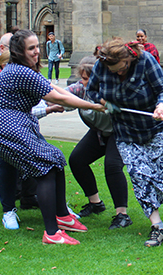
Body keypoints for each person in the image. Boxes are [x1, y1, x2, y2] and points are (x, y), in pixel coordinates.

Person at [0, 29, 104, 245]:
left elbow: (58, 89)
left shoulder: (25, 70)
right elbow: (57, 97)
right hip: (3, 128)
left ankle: (63, 218)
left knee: (55, 157)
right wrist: (93, 105)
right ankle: (51, 233)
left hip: (12, 125)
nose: (37, 51)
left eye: (37, 46)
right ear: (19, 51)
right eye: (31, 48)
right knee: (45, 166)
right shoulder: (20, 72)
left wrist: (88, 99)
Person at [88, 38, 163, 247]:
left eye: (121, 68)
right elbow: (91, 91)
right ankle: (158, 227)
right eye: (113, 71)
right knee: (140, 175)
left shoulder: (146, 61)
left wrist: (160, 106)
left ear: (127, 59)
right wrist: (105, 102)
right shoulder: (102, 65)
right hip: (126, 131)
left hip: (158, 126)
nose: (118, 73)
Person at [0, 50, 62, 230]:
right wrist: (49, 109)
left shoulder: (29, 79)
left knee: (49, 155)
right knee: (6, 161)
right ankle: (9, 212)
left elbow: (50, 99)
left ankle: (59, 209)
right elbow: (29, 111)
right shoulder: (1, 84)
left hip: (19, 131)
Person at [65, 55, 132, 230]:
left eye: (86, 79)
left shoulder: (112, 89)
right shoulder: (81, 89)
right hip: (100, 132)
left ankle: (122, 215)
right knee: (77, 160)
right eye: (82, 78)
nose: (83, 82)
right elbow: (62, 95)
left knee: (112, 165)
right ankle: (96, 203)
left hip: (119, 131)